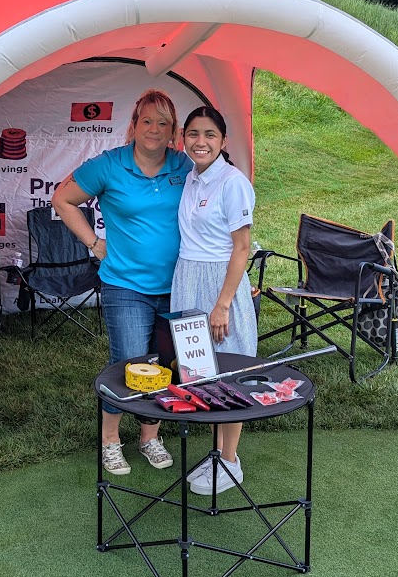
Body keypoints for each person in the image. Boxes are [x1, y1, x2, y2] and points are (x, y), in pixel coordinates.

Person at [51, 88, 193, 476]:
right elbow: (62, 199)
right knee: (128, 364)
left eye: (163, 123)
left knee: (164, 364)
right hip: (125, 286)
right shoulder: (110, 165)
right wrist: (94, 242)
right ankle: (110, 441)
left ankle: (150, 436)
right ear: (133, 125)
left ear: (173, 131)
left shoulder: (185, 166)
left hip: (177, 286)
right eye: (147, 120)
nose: (154, 129)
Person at [171, 105, 257, 495]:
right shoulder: (191, 177)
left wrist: (222, 304)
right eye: (193, 133)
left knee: (229, 371)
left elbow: (242, 248)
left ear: (224, 141)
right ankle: (217, 453)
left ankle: (231, 460)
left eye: (209, 134)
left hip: (220, 285)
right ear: (183, 138)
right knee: (200, 371)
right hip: (187, 279)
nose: (200, 141)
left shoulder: (233, 182)